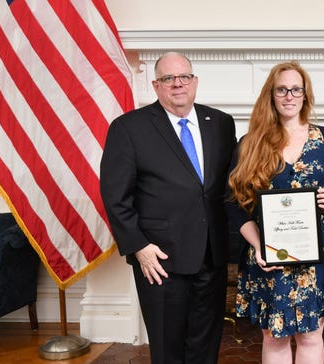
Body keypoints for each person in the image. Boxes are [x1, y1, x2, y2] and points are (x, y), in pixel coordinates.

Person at [100, 52, 237, 364]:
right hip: (160, 259)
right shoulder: (128, 128)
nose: (178, 84)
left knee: (206, 345)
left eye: (184, 77)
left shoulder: (220, 123)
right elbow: (114, 196)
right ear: (156, 85)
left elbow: (230, 187)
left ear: (195, 82)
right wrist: (139, 247)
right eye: (168, 78)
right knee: (168, 347)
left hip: (211, 256)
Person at [227, 61, 324, 363]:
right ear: (271, 96)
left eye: (296, 89)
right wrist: (260, 246)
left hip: (318, 258)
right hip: (269, 256)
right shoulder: (251, 144)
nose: (289, 96)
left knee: (312, 336)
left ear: (305, 95)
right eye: (281, 89)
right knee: (275, 337)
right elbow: (234, 204)